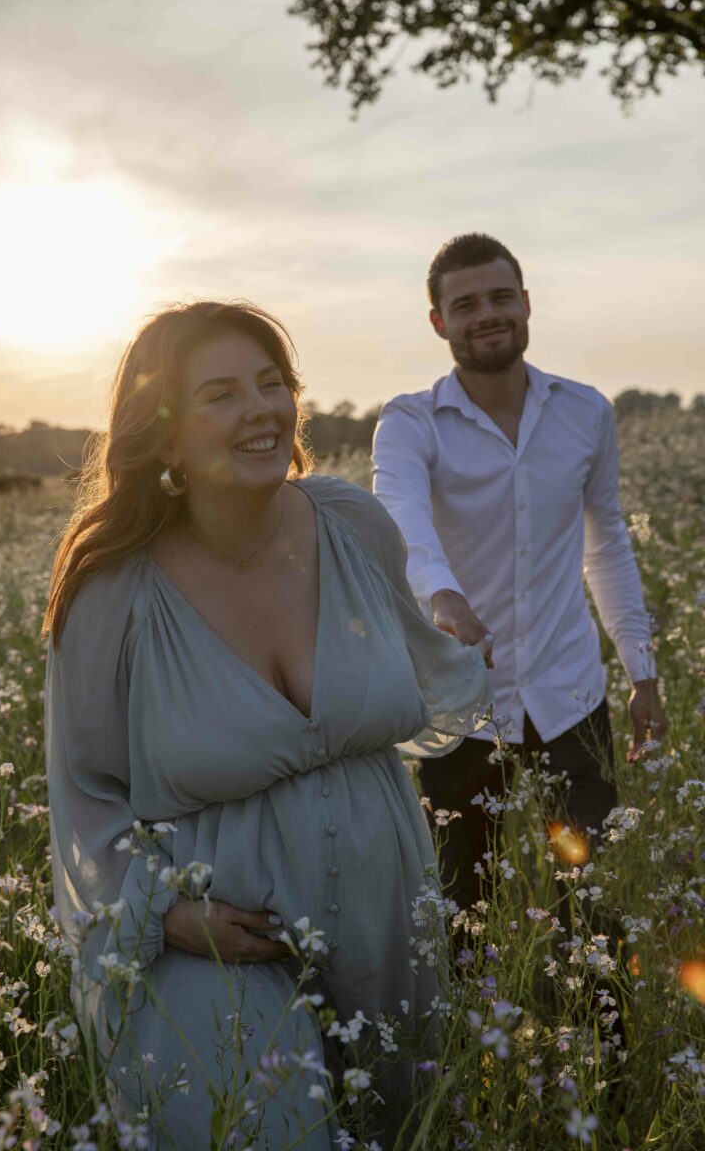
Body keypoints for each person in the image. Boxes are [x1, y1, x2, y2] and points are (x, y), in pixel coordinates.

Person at [43, 300, 491, 1149]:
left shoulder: (352, 524)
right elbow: (84, 792)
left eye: (271, 383)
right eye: (220, 393)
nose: (259, 408)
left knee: (397, 1123)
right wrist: (163, 917)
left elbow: (417, 661)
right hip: (217, 939)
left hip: (381, 904)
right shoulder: (112, 590)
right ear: (166, 436)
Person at [372, 233, 666, 909]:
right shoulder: (410, 422)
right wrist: (443, 596)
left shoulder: (586, 411)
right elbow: (402, 520)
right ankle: (478, 1017)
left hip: (572, 697)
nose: (487, 315)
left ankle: (599, 1021)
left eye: (501, 297)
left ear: (527, 303)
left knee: (591, 907)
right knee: (463, 912)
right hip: (462, 708)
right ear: (439, 322)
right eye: (466, 304)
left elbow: (607, 543)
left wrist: (641, 669)